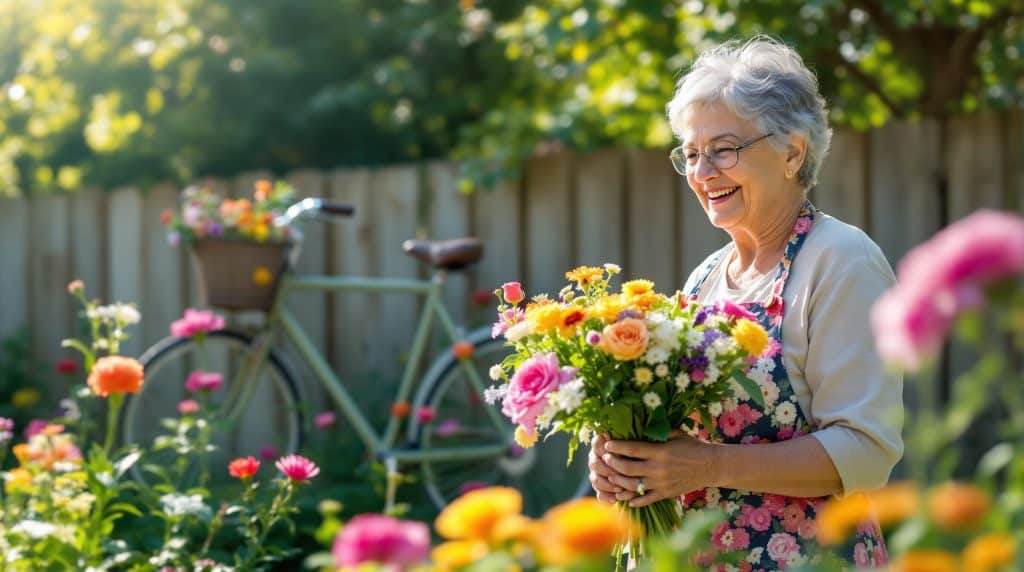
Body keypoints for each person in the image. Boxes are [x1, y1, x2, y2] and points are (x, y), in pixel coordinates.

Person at [588, 37, 903, 568]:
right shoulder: (705, 279)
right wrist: (626, 463)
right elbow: (679, 448)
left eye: (724, 149)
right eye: (691, 153)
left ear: (792, 153)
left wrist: (708, 466)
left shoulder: (841, 259)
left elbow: (866, 452)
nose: (702, 172)